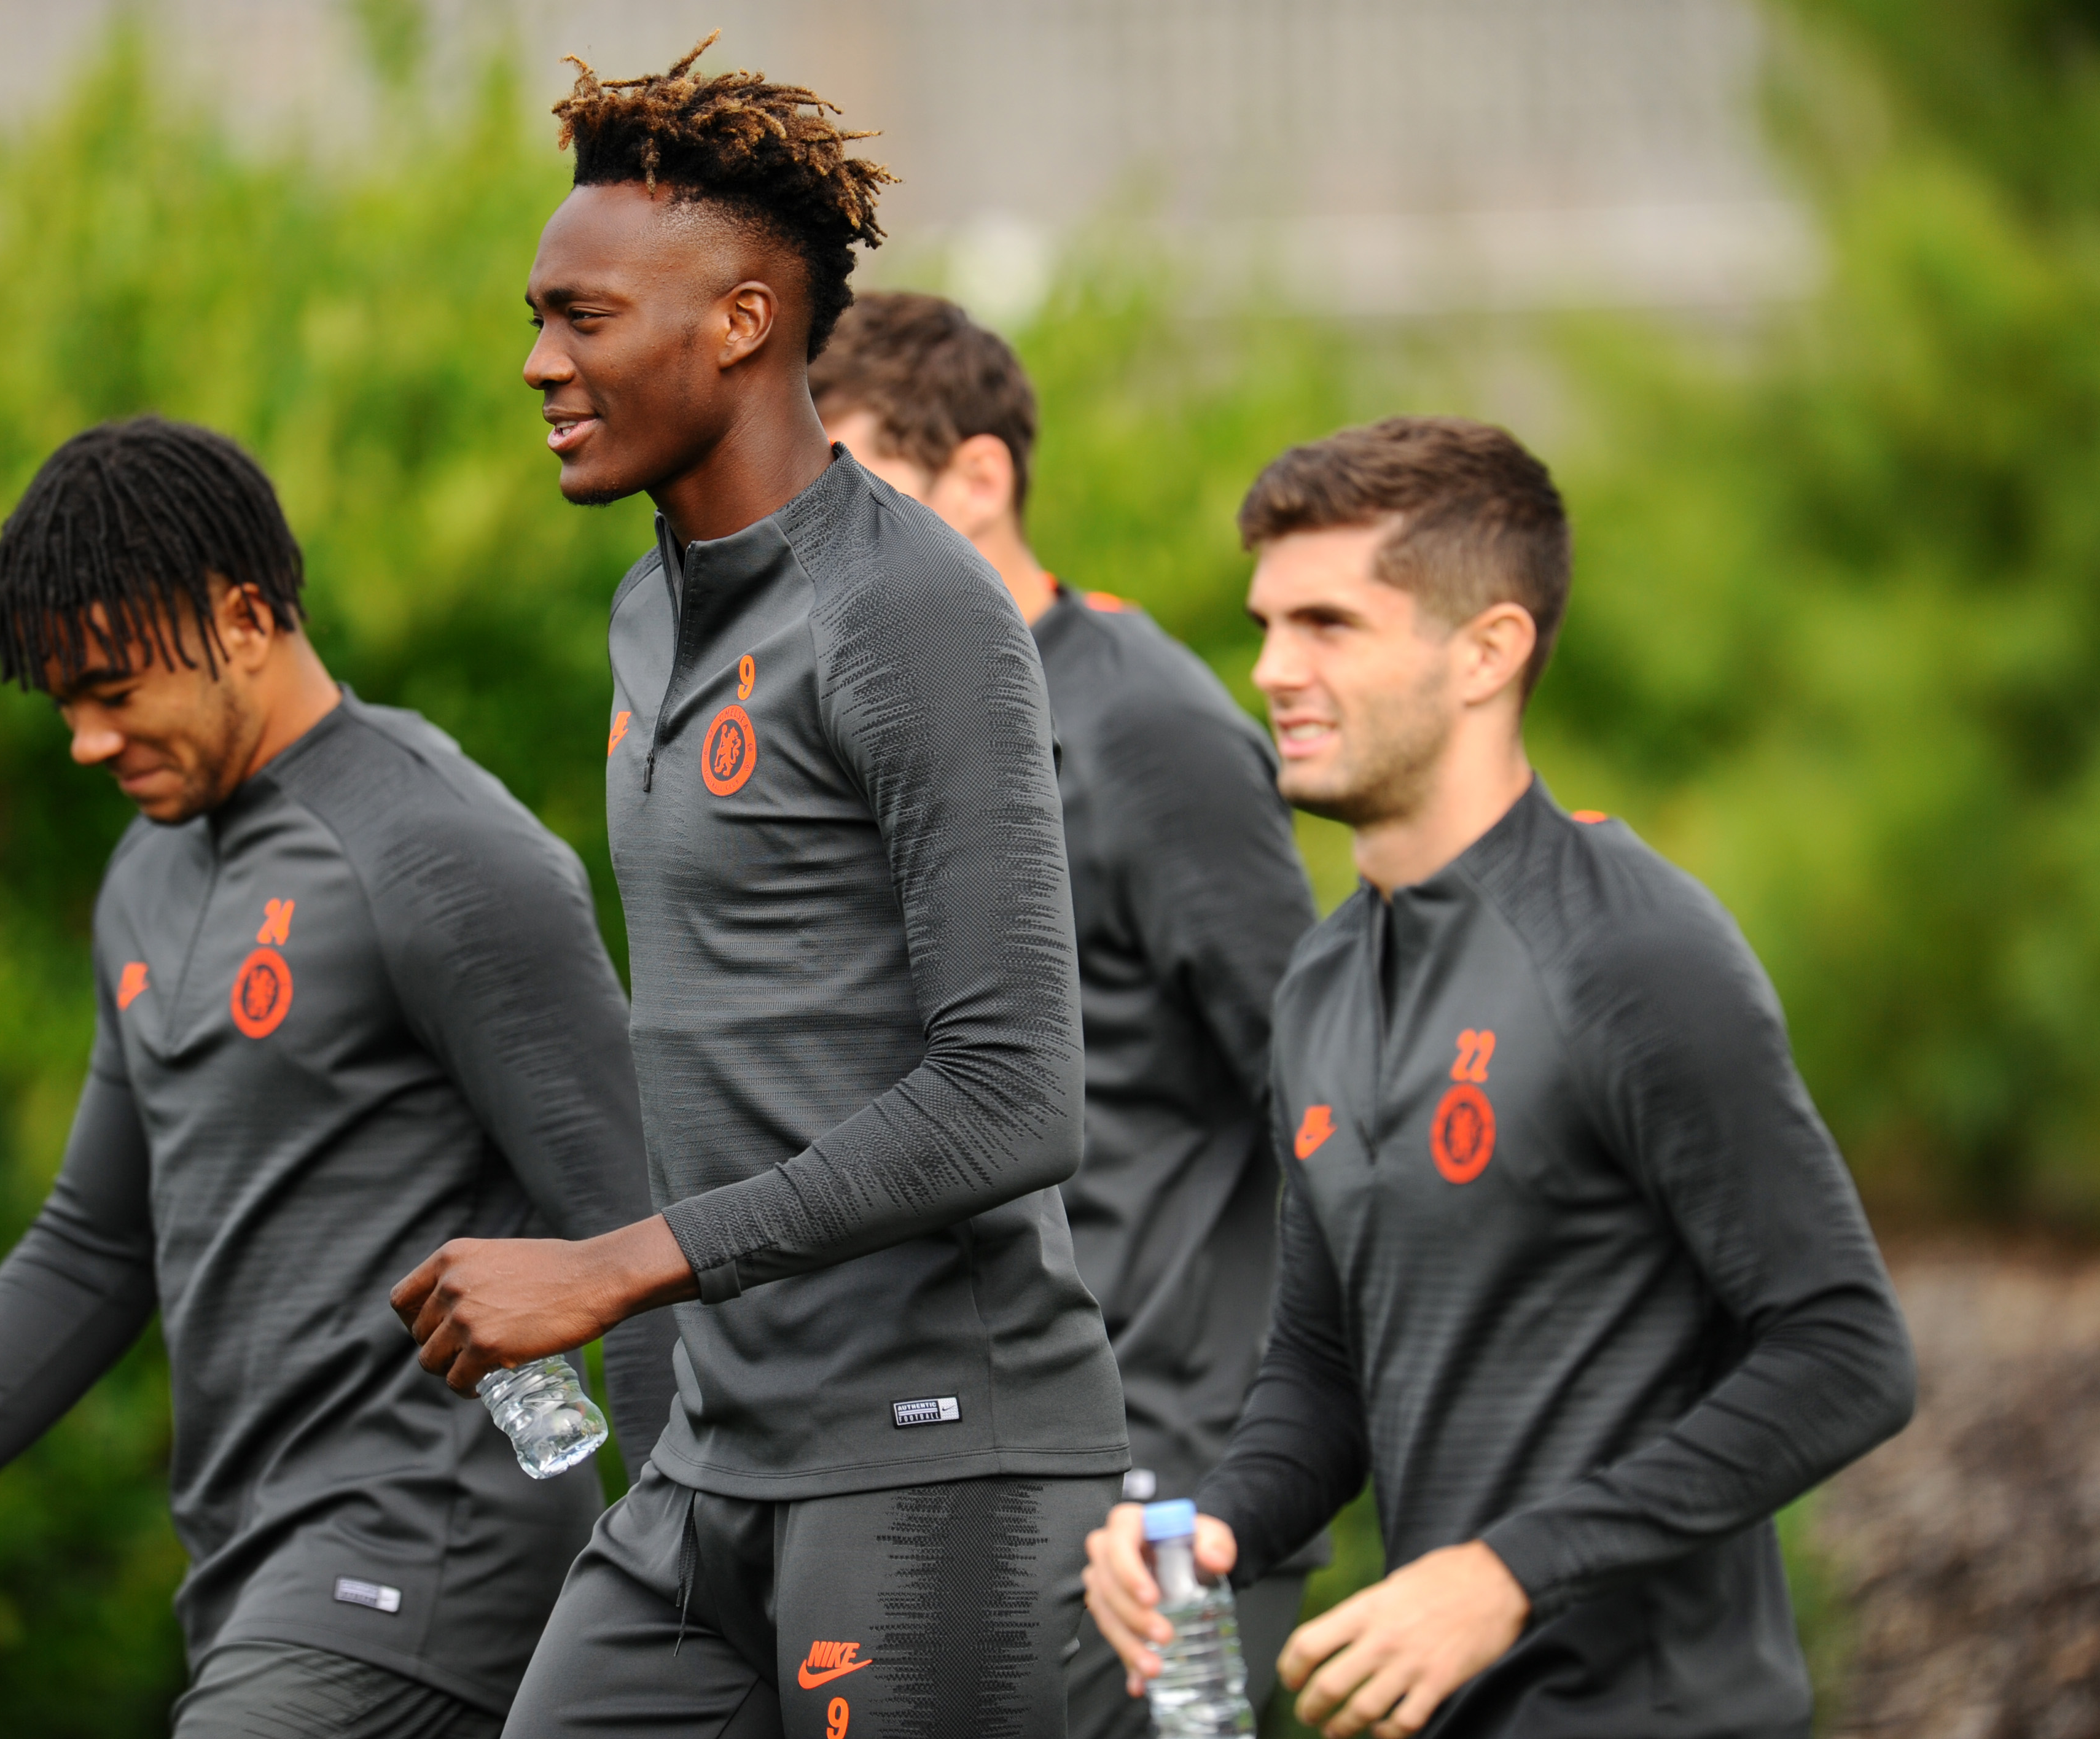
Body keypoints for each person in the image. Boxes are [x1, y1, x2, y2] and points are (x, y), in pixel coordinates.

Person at [389, 38, 1130, 1739]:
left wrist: (614, 1268)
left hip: (934, 1459)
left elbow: (1016, 1097)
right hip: (713, 1467)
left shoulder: (911, 615)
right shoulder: (647, 613)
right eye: (539, 315)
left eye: (584, 319)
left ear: (739, 324)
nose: (538, 363)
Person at [0, 416, 676, 1739]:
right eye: (64, 703)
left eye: (114, 691)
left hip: (424, 1556)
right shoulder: (146, 878)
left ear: (241, 619)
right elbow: (91, 1246)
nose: (85, 741)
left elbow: (631, 1225)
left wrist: (692, 1584)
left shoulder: (443, 852)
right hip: (249, 1575)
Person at [1080, 416, 1917, 1738]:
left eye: (1328, 626)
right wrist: (1210, 1524)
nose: (1272, 671)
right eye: (1266, 624)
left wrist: (1506, 1574)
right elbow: (1317, 1371)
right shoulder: (1321, 977)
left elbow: (1843, 1352)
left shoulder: (1629, 947)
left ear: (1488, 650)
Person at [810, 290, 1324, 1734]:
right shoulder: (868, 716)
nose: (818, 543)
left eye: (855, 488)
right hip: (966, 1444)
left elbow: (1319, 1093)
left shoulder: (1144, 729)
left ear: (979, 477)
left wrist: (1263, 1464)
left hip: (1155, 1462)